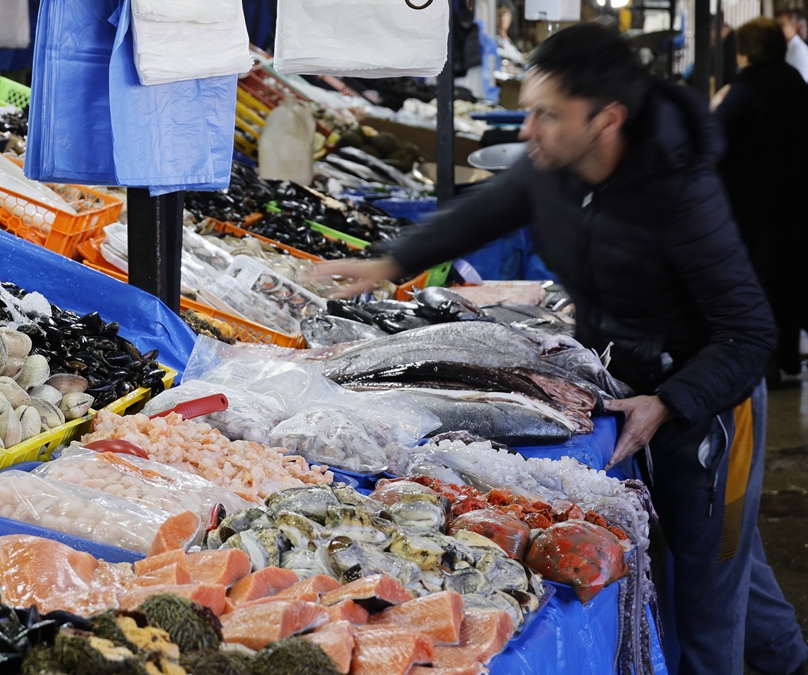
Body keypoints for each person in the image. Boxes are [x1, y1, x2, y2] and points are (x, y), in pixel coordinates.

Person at [317, 22, 806, 675]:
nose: (528, 129)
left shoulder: (682, 193)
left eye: (547, 114)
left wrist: (669, 401)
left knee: (702, 598)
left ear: (606, 119)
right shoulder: (557, 167)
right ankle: (788, 659)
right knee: (723, 562)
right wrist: (389, 262)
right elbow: (489, 207)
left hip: (707, 408)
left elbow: (750, 333)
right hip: (622, 381)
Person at [713, 17, 808, 382]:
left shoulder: (745, 87)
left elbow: (715, 140)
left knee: (760, 283)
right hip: (796, 202)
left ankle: (765, 367)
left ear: (745, 50)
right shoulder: (796, 82)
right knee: (789, 280)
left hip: (754, 205)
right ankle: (788, 357)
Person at [777, 10, 808, 81]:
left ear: (794, 27)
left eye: (782, 25)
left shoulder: (798, 49)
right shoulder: (788, 47)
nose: (778, 28)